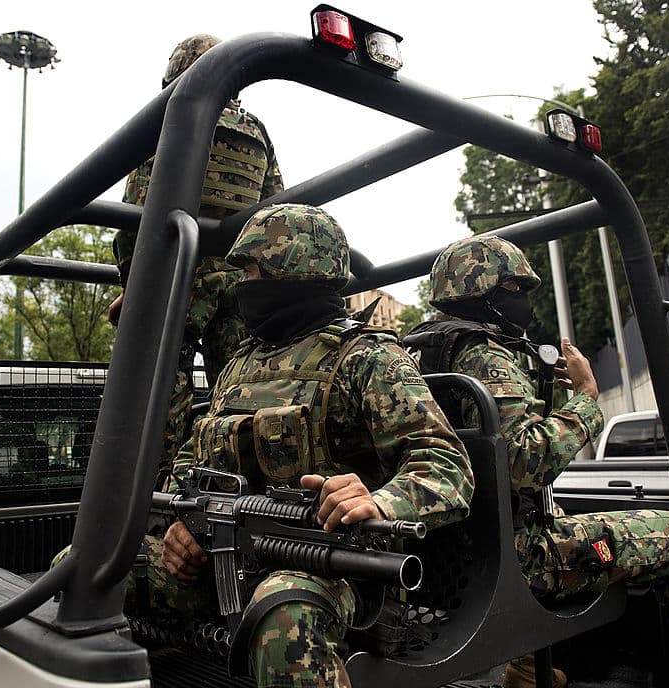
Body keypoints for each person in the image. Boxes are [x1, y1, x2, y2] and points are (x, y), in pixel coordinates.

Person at [149, 203, 475, 687]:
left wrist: (379, 501)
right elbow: (194, 455)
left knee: (283, 619)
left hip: (337, 568)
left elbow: (448, 466)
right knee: (88, 569)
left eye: (253, 270)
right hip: (226, 556)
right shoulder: (240, 363)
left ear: (294, 271)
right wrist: (181, 522)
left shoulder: (368, 357)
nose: (243, 284)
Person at [408, 234, 669, 688]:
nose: (526, 303)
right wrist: (586, 399)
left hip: (441, 557)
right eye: (518, 291)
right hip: (515, 559)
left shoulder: (412, 354)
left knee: (554, 513)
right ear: (487, 292)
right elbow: (525, 462)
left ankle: (526, 671)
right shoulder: (484, 355)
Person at [109, 33, 285, 469]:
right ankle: (235, 488)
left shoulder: (169, 117)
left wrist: (132, 283)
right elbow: (275, 211)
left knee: (158, 395)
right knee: (238, 390)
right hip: (237, 283)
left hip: (174, 281)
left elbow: (137, 214)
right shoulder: (257, 132)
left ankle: (153, 492)